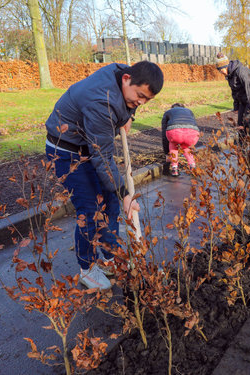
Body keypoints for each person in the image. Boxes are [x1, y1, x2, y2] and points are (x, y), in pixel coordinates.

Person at [45, 61, 164, 290]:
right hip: (66, 151)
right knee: (89, 209)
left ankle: (111, 258)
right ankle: (87, 269)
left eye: (146, 100)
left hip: (88, 145)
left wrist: (128, 114)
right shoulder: (101, 101)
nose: (140, 102)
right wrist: (125, 195)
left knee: (110, 203)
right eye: (139, 96)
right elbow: (103, 157)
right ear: (127, 79)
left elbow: (130, 100)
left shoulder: (124, 74)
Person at [215, 52, 250, 147]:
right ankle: (242, 146)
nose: (221, 72)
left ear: (226, 66)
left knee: (247, 121)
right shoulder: (229, 75)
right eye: (219, 70)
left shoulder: (241, 71)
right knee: (240, 123)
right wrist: (236, 106)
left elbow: (249, 88)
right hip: (243, 99)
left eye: (221, 69)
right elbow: (234, 91)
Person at [161, 103, 200, 176]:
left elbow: (164, 135)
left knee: (173, 143)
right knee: (186, 146)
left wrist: (167, 154)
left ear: (172, 108)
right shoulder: (189, 111)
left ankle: (174, 168)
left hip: (175, 133)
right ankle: (192, 166)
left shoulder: (168, 112)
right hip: (192, 134)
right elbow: (194, 124)